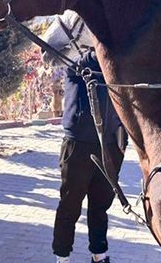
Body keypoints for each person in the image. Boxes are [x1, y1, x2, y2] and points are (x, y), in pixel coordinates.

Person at [51, 50, 125, 263]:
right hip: (78, 144)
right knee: (70, 204)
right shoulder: (77, 61)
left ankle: (99, 254)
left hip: (110, 145)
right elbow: (81, 62)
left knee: (101, 204)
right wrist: (104, 46)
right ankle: (62, 256)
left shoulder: (114, 68)